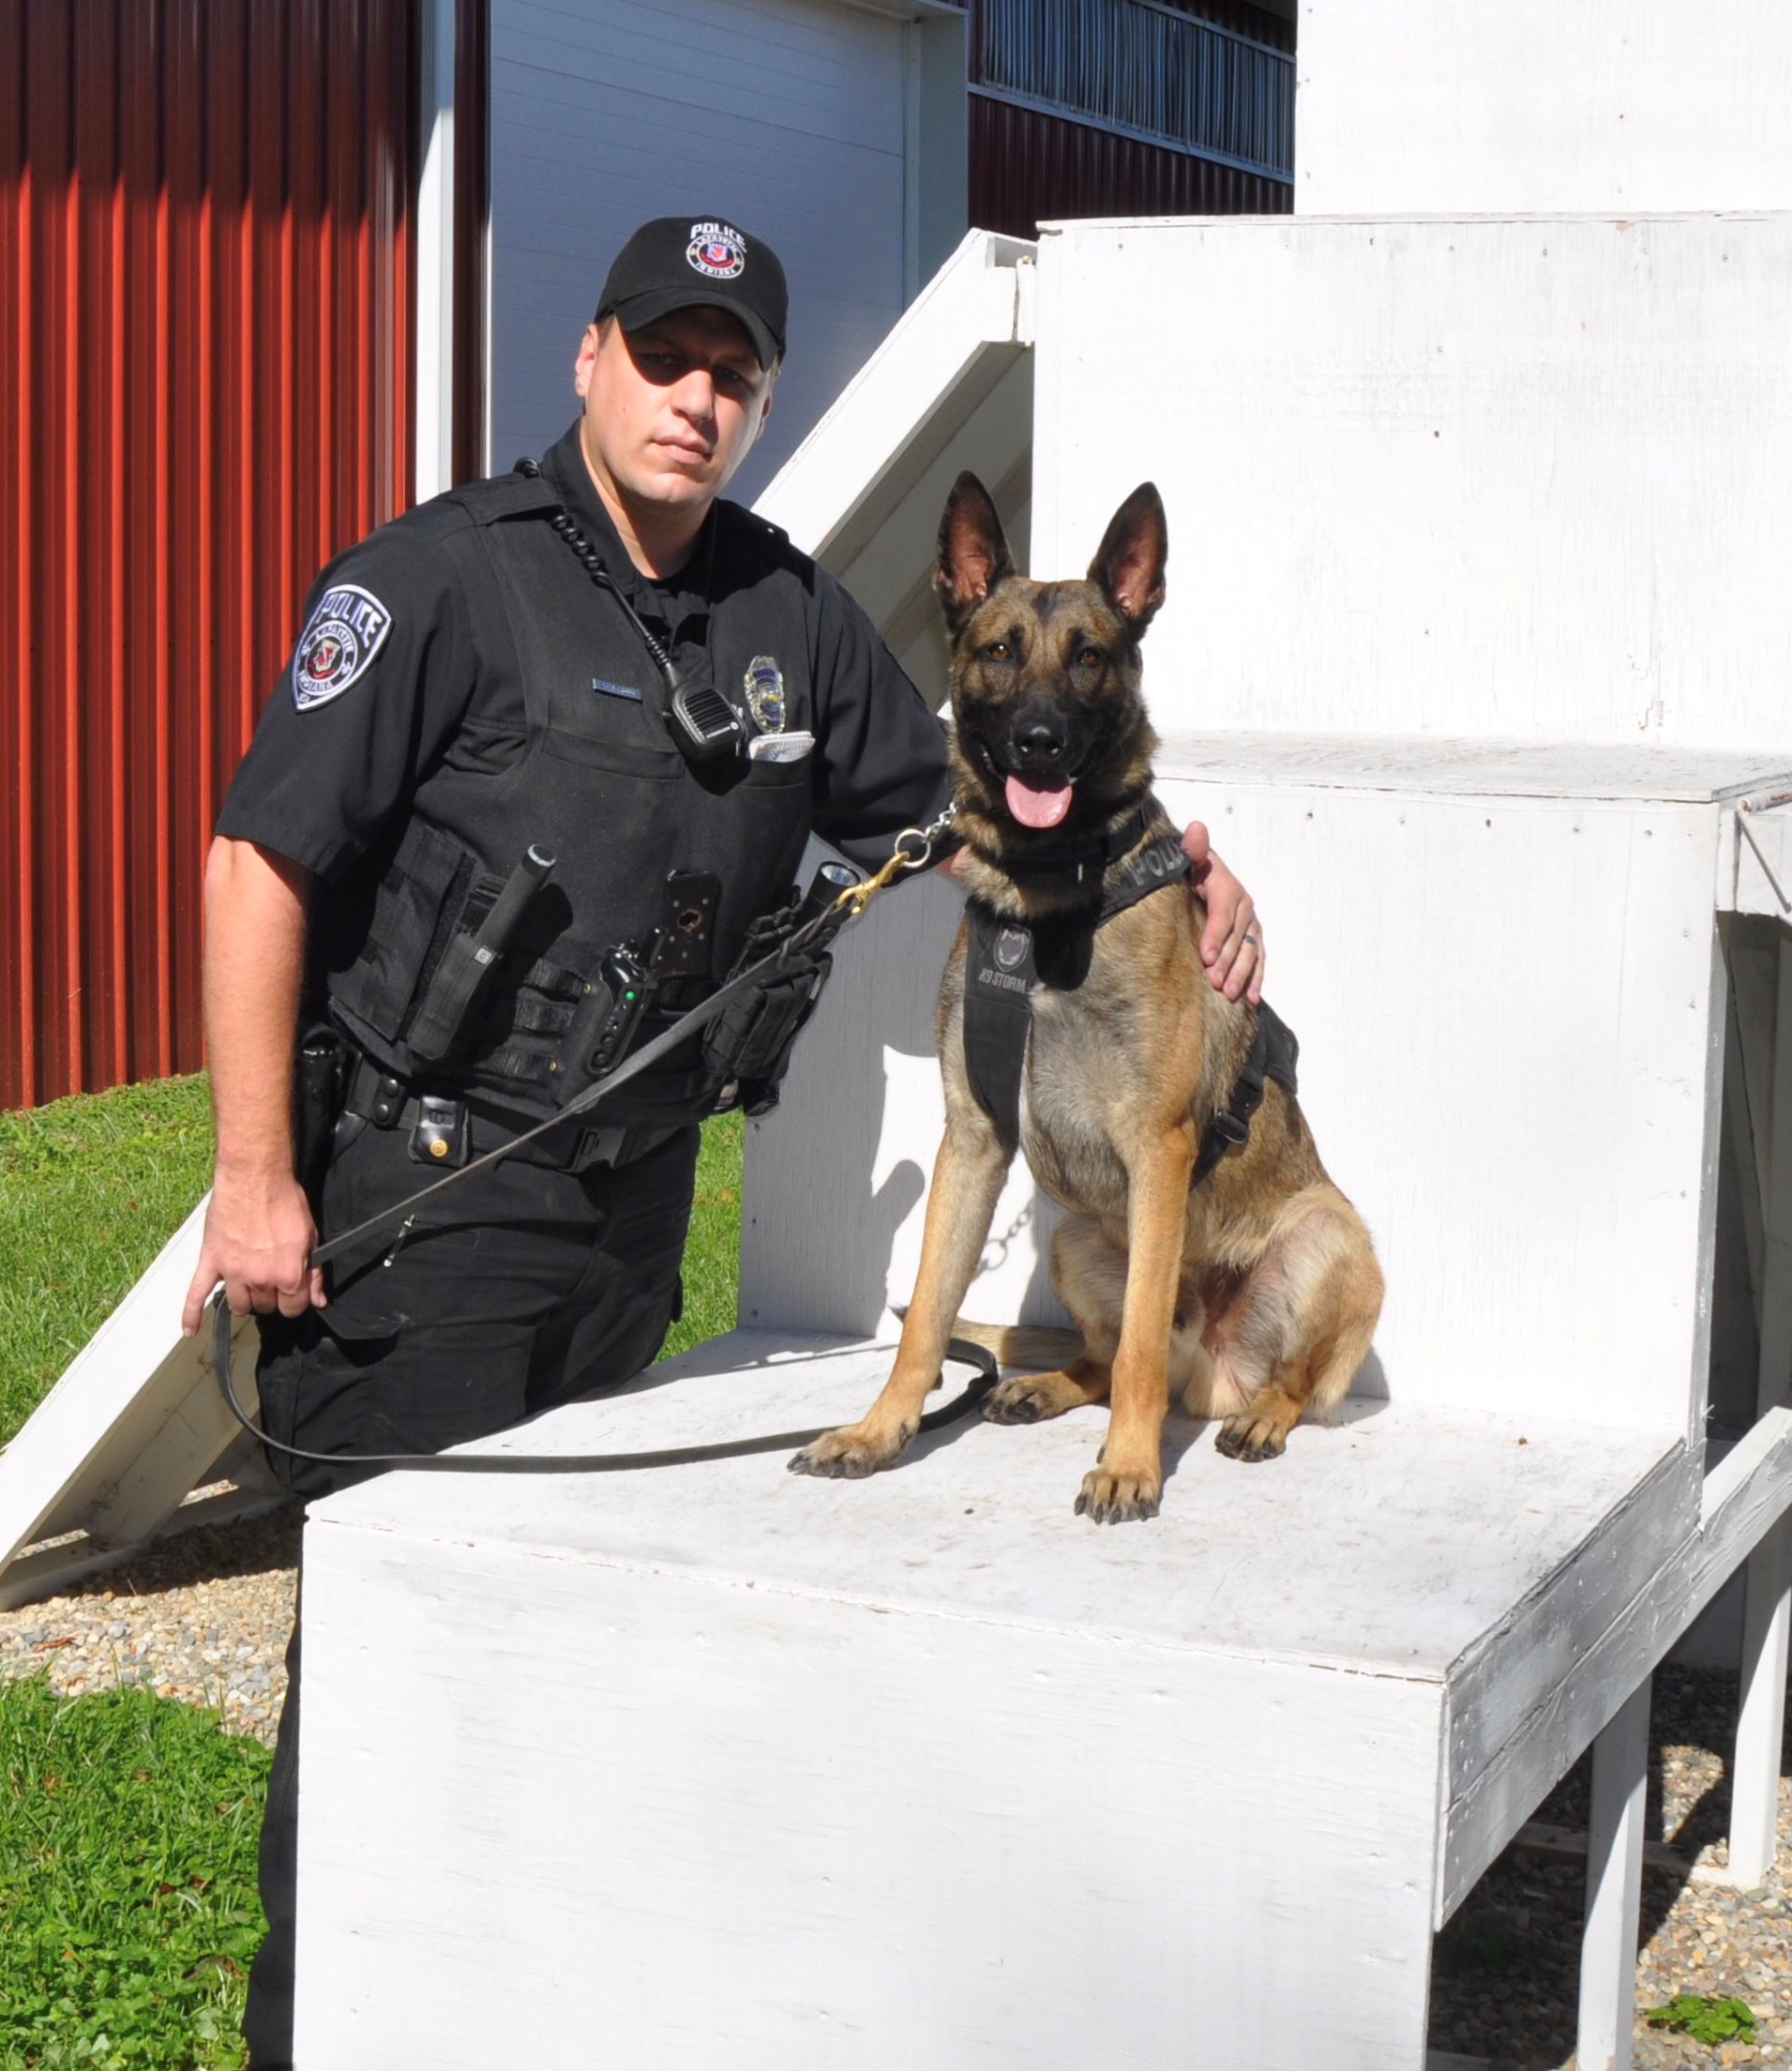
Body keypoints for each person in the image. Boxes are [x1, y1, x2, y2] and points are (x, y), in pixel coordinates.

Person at [177, 214, 1264, 2067]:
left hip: (626, 1229)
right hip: (424, 1210)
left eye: (731, 371)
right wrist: (253, 1176)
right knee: (391, 1672)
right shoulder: (441, 581)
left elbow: (990, 792)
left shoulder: (786, 615)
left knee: (575, 1657)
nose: (694, 396)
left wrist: (1184, 861)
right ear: (588, 359)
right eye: (663, 355)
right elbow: (256, 862)